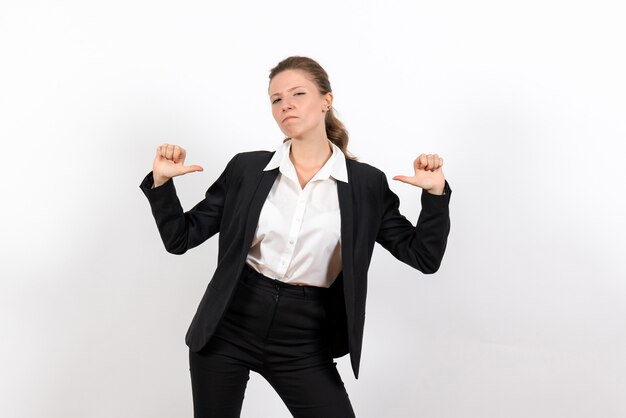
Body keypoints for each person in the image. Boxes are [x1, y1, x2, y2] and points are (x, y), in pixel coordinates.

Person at [140, 56, 451, 418]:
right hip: (228, 325)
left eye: (298, 93)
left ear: (326, 100)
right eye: (276, 99)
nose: (285, 103)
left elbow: (424, 258)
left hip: (304, 337)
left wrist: (434, 196)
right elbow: (180, 238)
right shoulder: (246, 169)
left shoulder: (365, 184)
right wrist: (162, 184)